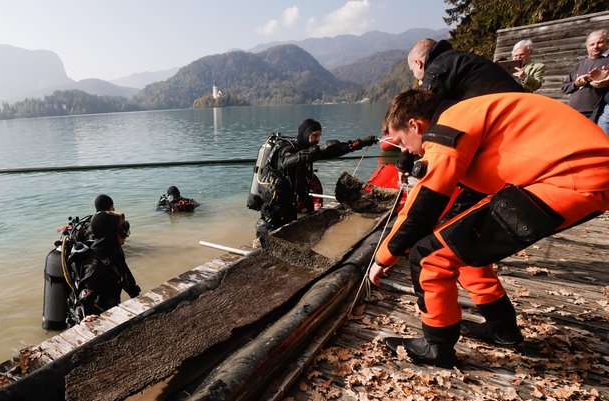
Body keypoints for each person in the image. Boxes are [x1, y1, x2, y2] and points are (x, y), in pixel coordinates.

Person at [368, 89, 609, 368]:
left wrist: (383, 257)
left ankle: (436, 348)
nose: (406, 152)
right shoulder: (465, 116)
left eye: (401, 142)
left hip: (570, 177)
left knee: (427, 256)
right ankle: (502, 329)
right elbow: (446, 202)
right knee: (459, 248)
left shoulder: (449, 124)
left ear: (414, 124)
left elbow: (426, 203)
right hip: (580, 176)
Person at [255, 118, 377, 238]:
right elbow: (285, 163)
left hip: (290, 205)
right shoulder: (288, 148)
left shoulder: (309, 150)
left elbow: (337, 150)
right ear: (306, 134)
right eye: (314, 136)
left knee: (291, 237)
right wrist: (317, 150)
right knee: (268, 242)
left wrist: (361, 143)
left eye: (319, 136)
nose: (318, 139)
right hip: (273, 209)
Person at [407, 38, 523, 117]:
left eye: (412, 71)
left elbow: (421, 112)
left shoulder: (438, 68)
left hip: (509, 117)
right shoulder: (460, 58)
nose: (415, 76)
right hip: (521, 108)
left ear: (418, 63)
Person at [69, 211, 141, 324]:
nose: (126, 234)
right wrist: (86, 319)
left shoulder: (115, 250)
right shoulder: (95, 264)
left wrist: (135, 295)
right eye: (123, 229)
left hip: (112, 308)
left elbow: (125, 276)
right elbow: (83, 301)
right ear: (110, 234)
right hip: (99, 318)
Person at [562, 29, 609, 120]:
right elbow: (564, 88)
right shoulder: (579, 65)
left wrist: (603, 79)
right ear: (587, 47)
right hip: (573, 111)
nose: (595, 46)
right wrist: (576, 83)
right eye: (592, 44)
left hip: (597, 113)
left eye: (599, 42)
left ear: (607, 42)